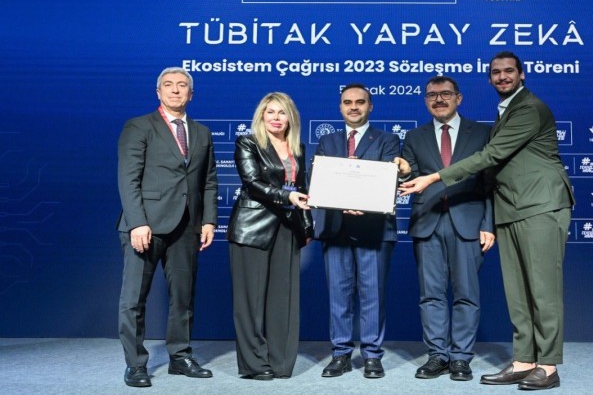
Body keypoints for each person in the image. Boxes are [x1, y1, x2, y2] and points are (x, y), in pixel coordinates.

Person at [400, 52, 575, 390]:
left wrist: (434, 177)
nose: (502, 77)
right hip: (511, 208)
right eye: (496, 72)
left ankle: (548, 366)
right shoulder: (504, 111)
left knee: (543, 291)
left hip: (540, 204)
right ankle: (524, 361)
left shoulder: (528, 107)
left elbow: (490, 156)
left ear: (522, 74)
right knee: (518, 293)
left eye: (509, 71)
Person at [117, 67, 218, 388]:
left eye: (182, 85)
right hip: (145, 226)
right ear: (158, 92)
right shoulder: (139, 126)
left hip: (187, 227)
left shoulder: (202, 132)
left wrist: (209, 220)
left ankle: (180, 356)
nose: (175, 90)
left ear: (191, 93)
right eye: (169, 85)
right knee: (134, 299)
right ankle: (135, 364)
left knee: (183, 297)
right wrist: (138, 222)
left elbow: (209, 181)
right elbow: (128, 179)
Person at [398, 75, 495, 381]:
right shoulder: (414, 136)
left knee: (467, 294)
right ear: (425, 100)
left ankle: (461, 358)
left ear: (458, 98)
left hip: (468, 223)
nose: (438, 99)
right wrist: (403, 173)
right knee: (431, 295)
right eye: (432, 95)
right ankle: (438, 355)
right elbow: (411, 179)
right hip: (427, 222)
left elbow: (490, 183)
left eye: (445, 94)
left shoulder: (482, 133)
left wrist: (488, 224)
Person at [312, 83, 400, 379]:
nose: (353, 107)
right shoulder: (327, 141)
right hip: (335, 228)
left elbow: (388, 178)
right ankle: (341, 354)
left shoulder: (388, 140)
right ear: (340, 107)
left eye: (360, 102)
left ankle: (372, 355)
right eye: (347, 102)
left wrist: (361, 192)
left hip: (374, 228)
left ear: (370, 106)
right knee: (339, 295)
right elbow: (319, 179)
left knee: (372, 294)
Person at [226, 92, 313, 380]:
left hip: (288, 228)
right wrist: (288, 197)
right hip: (252, 227)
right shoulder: (248, 143)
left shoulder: (298, 147)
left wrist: (307, 227)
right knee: (250, 302)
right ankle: (254, 364)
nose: (276, 118)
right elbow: (252, 183)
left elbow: (303, 188)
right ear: (261, 116)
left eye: (282, 112)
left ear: (291, 117)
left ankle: (280, 362)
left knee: (283, 300)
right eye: (270, 112)